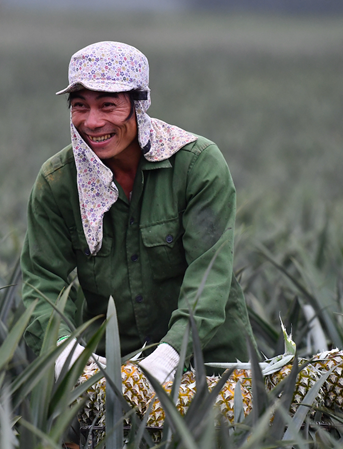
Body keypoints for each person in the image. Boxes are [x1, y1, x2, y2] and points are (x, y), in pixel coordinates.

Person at [21, 41, 255, 386]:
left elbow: (209, 273)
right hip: (107, 370)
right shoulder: (58, 182)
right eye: (80, 106)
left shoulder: (196, 165)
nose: (92, 122)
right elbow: (43, 281)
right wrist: (66, 353)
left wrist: (169, 355)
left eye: (109, 106)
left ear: (138, 105)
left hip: (213, 363)